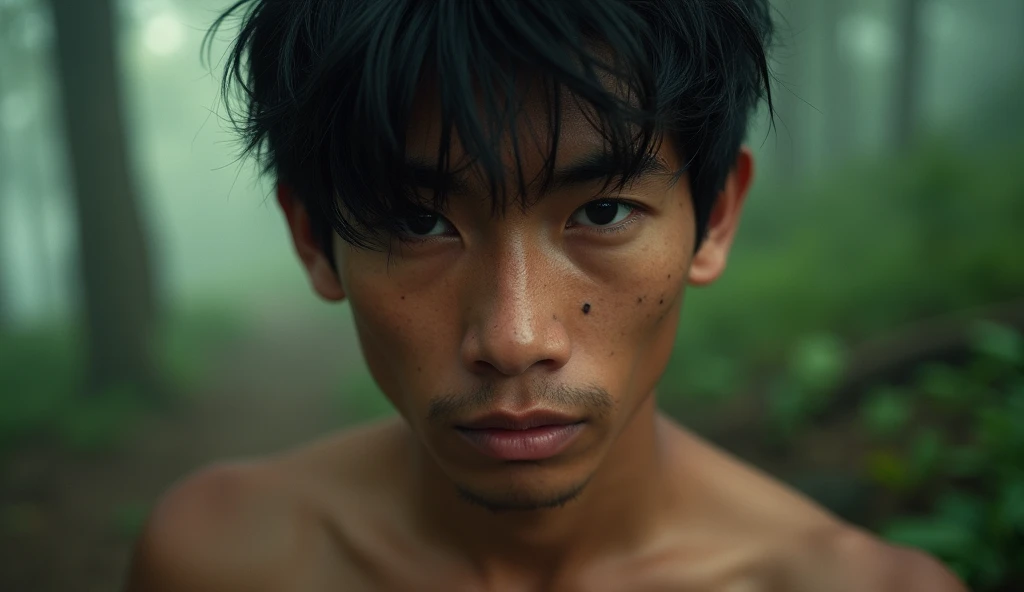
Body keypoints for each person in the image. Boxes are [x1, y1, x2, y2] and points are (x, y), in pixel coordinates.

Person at [125, 1, 967, 590]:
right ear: (314, 239)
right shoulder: (215, 562)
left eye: (602, 212)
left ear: (713, 219)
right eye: (418, 223)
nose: (516, 336)